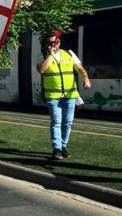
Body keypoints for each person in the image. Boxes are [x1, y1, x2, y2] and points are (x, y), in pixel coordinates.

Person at [37, 32, 91, 160]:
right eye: (48, 43)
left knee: (67, 123)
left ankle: (63, 145)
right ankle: (57, 149)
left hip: (70, 94)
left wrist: (86, 78)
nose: (51, 45)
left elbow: (80, 69)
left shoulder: (69, 54)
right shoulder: (42, 56)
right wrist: (51, 55)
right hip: (53, 96)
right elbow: (42, 70)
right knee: (56, 122)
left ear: (59, 42)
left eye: (53, 42)